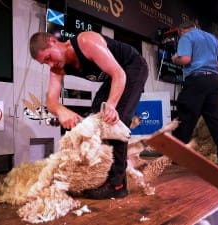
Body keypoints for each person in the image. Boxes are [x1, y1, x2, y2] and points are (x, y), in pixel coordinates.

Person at [29, 31, 148, 199]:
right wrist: (61, 110)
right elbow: (51, 100)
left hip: (132, 67)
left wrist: (112, 106)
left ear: (53, 41)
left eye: (48, 57)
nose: (49, 65)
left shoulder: (86, 42)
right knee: (95, 116)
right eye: (44, 63)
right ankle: (102, 175)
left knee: (114, 120)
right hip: (113, 76)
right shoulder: (57, 68)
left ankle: (117, 185)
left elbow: (119, 74)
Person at [171, 20, 218, 166]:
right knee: (215, 121)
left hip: (196, 80)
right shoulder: (213, 39)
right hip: (213, 80)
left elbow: (185, 59)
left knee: (184, 115)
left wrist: (175, 58)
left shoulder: (187, 37)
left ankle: (178, 155)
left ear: (182, 31)